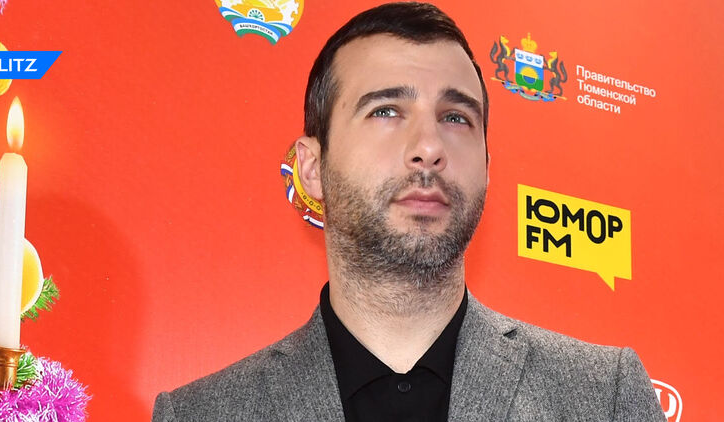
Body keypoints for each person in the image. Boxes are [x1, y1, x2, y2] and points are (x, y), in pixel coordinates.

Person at [153, 3, 665, 421]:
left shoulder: (605, 397)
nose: (428, 147)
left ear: (487, 169)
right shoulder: (199, 414)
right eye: (386, 111)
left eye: (455, 117)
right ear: (311, 168)